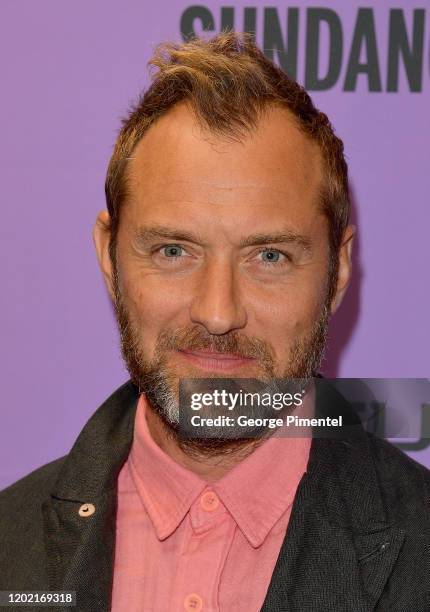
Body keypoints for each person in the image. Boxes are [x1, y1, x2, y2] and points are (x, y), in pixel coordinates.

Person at [1, 31, 429, 612]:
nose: (218, 312)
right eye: (175, 251)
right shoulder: (10, 545)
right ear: (109, 257)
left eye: (270, 256)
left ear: (338, 269)